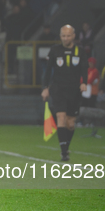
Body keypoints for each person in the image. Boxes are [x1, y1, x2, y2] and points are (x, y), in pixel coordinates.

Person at [41, 25, 87, 161]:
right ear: (60, 36)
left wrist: (84, 82)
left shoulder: (81, 51)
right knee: (61, 117)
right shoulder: (54, 50)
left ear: (73, 36)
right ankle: (64, 152)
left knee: (70, 123)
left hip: (74, 90)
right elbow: (48, 70)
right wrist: (45, 87)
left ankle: (66, 146)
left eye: (68, 35)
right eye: (63, 36)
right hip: (58, 89)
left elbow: (84, 68)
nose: (65, 38)